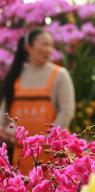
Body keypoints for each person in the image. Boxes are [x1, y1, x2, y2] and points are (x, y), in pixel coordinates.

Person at [0, 28, 75, 174]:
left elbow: (67, 111)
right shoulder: (16, 74)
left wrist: (48, 141)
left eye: (50, 45)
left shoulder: (60, 75)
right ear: (28, 47)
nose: (48, 49)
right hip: (21, 153)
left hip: (51, 153)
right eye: (44, 44)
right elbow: (4, 109)